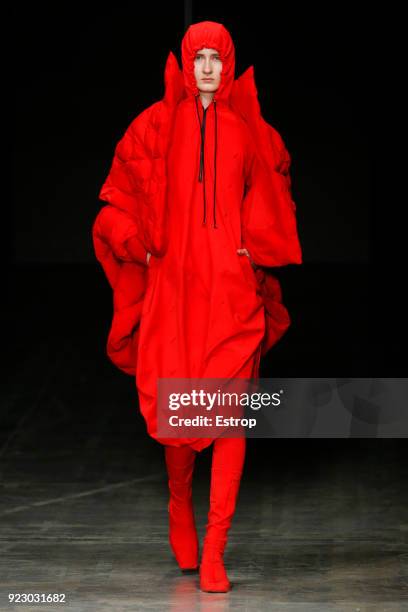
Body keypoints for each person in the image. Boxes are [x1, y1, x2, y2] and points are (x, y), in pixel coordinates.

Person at [92, 20, 302, 593]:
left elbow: (274, 193)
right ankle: (180, 500)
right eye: (198, 55)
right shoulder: (156, 125)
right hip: (176, 292)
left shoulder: (249, 130)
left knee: (231, 419)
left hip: (231, 293)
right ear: (186, 62)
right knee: (183, 419)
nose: (207, 66)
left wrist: (250, 245)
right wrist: (145, 244)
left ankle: (215, 548)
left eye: (217, 56)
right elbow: (114, 202)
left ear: (229, 62)